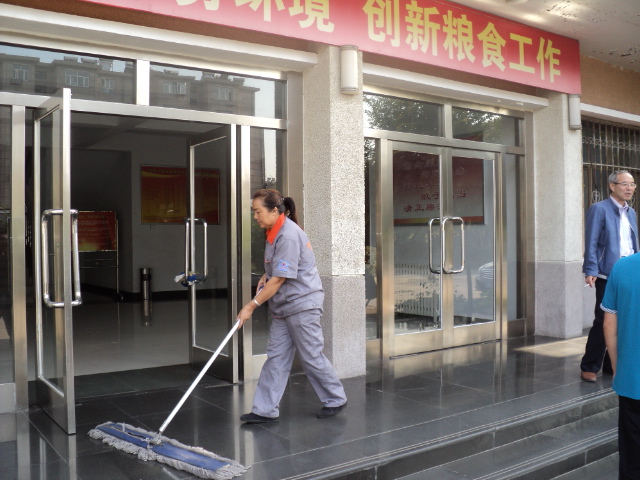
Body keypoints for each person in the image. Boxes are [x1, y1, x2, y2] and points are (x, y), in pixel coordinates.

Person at [236, 189, 347, 424]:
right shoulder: (273, 232)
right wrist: (266, 275)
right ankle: (264, 410)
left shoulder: (288, 235)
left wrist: (250, 306)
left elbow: (279, 279)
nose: (255, 216)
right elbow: (277, 270)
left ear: (274, 210)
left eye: (258, 211)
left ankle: (335, 398)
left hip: (302, 304)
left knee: (311, 355)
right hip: (284, 306)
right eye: (254, 212)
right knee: (276, 357)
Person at [581, 170, 638, 383]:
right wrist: (591, 270)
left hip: (629, 273)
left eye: (632, 184)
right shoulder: (599, 209)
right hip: (608, 273)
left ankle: (609, 364)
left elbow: (633, 243)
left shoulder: (631, 212)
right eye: (625, 184)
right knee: (603, 319)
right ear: (612, 186)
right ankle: (589, 366)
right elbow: (592, 242)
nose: (629, 188)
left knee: (624, 319)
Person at [602, 252, 640, 479]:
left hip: (632, 380)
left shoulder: (622, 267)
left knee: (631, 458)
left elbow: (609, 324)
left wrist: (618, 368)